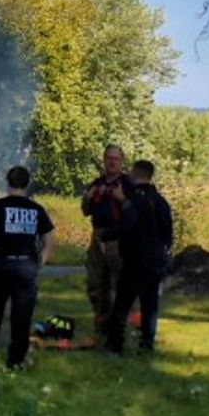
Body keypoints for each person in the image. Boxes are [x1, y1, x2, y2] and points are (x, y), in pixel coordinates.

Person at [0, 165, 55, 368]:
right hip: (27, 267)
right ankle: (16, 362)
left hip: (1, 265)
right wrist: (40, 263)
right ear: (27, 184)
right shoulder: (36, 210)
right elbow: (49, 241)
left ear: (8, 182)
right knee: (22, 318)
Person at [107, 158, 174, 355]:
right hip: (155, 262)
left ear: (135, 174)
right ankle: (146, 344)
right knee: (150, 306)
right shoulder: (161, 201)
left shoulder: (130, 200)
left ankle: (116, 346)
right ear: (151, 176)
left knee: (122, 304)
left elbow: (125, 226)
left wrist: (107, 235)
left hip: (133, 261)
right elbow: (167, 233)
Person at [80, 143, 130, 338]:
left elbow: (135, 212)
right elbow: (85, 211)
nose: (112, 162)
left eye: (116, 158)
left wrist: (122, 199)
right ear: (104, 160)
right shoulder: (96, 183)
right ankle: (101, 326)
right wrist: (88, 198)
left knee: (118, 285)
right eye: (109, 158)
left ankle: (119, 330)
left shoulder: (127, 184)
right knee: (95, 283)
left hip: (118, 238)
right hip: (98, 236)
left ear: (122, 162)